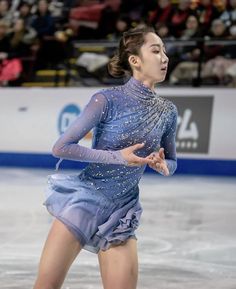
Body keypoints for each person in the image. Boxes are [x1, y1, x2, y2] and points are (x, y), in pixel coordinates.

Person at [33, 26, 178, 289]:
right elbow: (62, 147)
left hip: (122, 212)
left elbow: (172, 160)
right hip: (86, 199)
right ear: (135, 60)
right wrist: (119, 157)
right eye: (156, 50)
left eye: (165, 51)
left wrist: (164, 166)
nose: (165, 57)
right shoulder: (107, 100)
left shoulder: (168, 112)